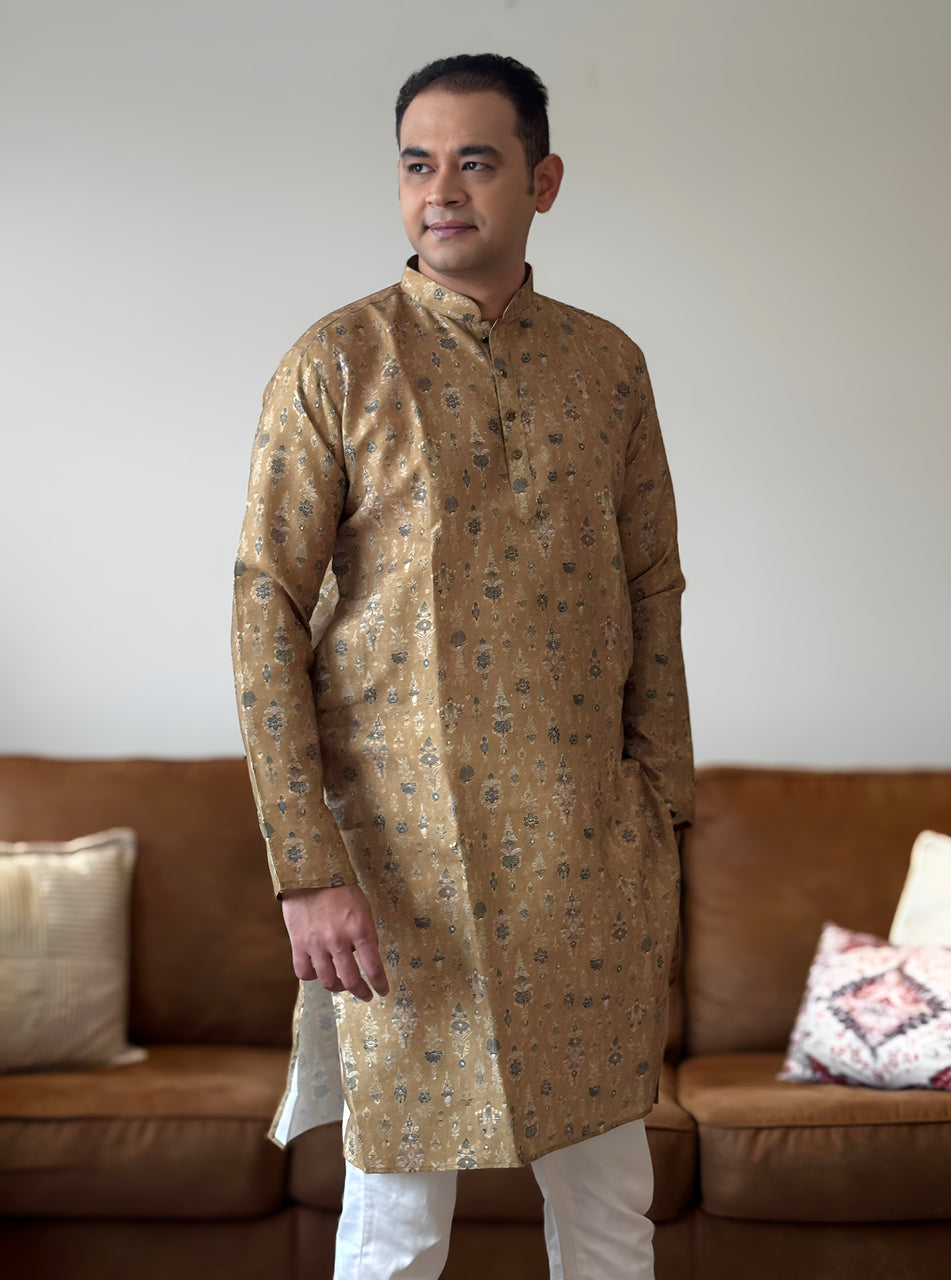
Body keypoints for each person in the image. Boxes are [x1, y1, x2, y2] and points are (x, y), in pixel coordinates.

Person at [232, 52, 694, 1280]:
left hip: (585, 863)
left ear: (541, 181)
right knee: (394, 1226)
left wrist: (661, 809)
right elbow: (263, 607)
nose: (441, 191)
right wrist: (306, 866)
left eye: (474, 161)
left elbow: (653, 584)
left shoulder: (607, 368)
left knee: (607, 1215)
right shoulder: (338, 361)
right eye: (416, 163)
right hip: (397, 875)